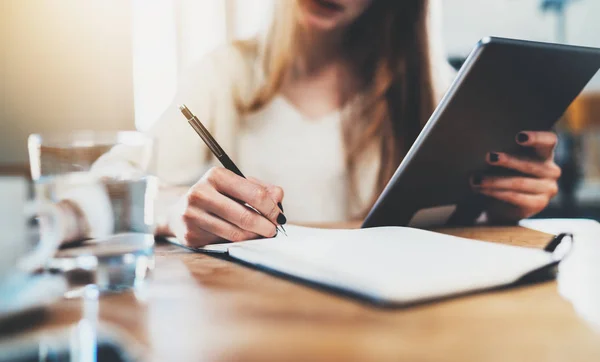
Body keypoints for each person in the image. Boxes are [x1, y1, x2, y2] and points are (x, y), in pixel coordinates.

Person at [98, 0, 561, 247]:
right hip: (254, 320)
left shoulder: (431, 84)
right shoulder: (225, 76)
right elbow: (100, 185)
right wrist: (166, 210)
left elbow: (449, 219)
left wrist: (499, 205)